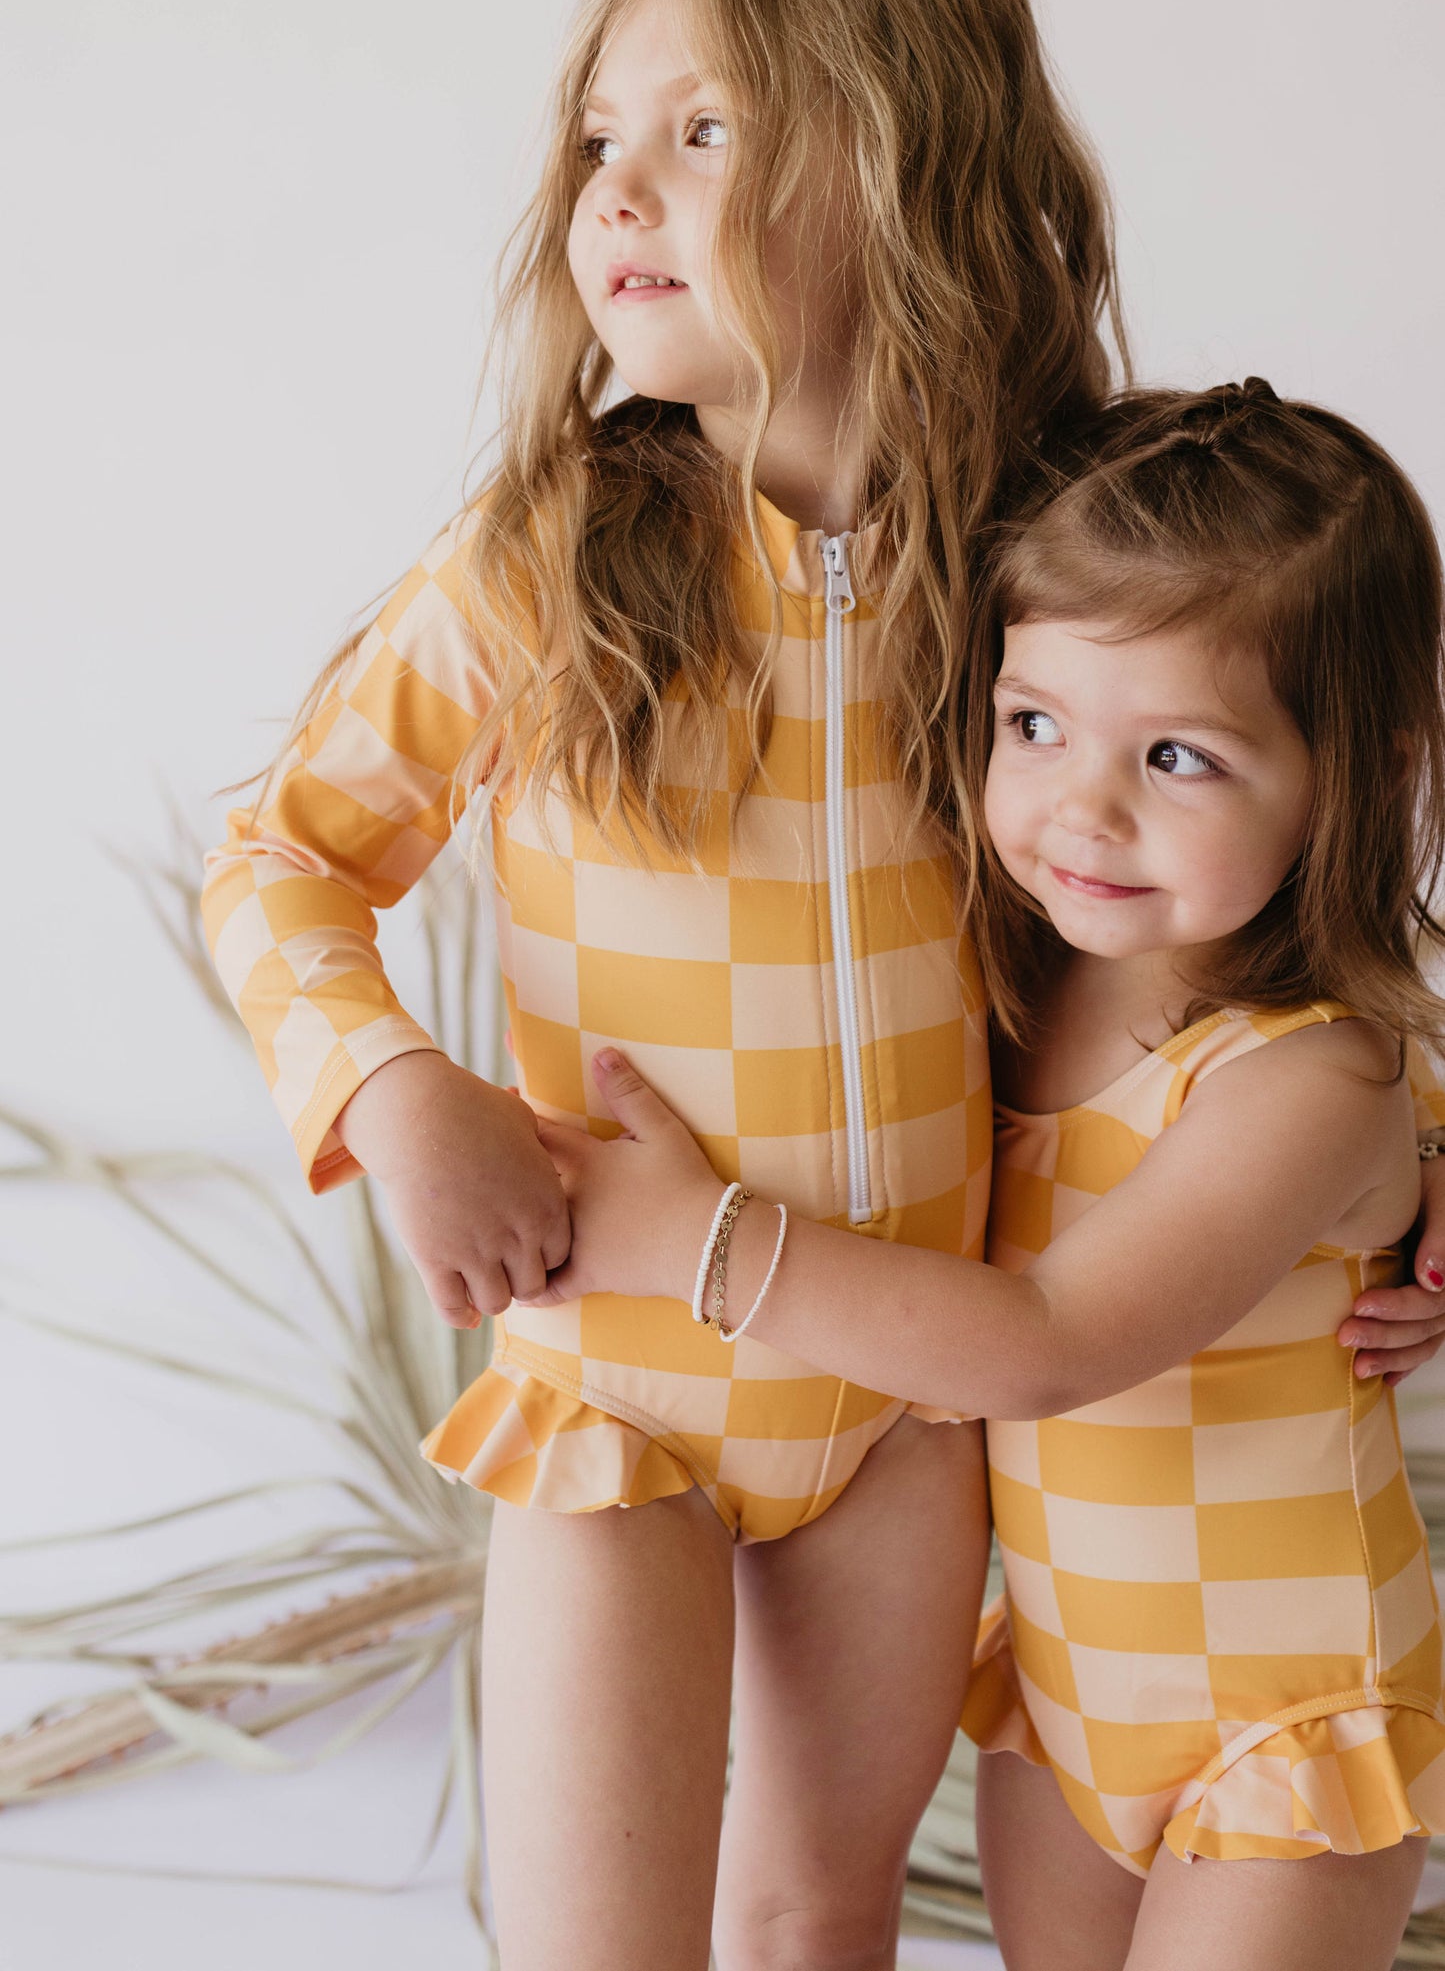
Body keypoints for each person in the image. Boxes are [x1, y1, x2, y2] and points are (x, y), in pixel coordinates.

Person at [202, 0, 1129, 1970]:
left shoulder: (1048, 570)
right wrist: (396, 1080)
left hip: (893, 1389)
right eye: (601, 139)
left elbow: (1215, 915)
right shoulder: (550, 561)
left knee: (820, 1914)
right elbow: (276, 858)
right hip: (616, 1385)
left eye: (704, 131)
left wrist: (1392, 1165)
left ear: (913, 170)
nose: (617, 190)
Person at [538, 380, 1445, 1970]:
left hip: (1282, 1732)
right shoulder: (1012, 975)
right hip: (1067, 1709)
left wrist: (698, 1242)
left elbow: (1041, 1338)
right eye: (1033, 724)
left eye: (1176, 754)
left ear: (1360, 771)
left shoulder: (1311, 1074)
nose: (1078, 808)